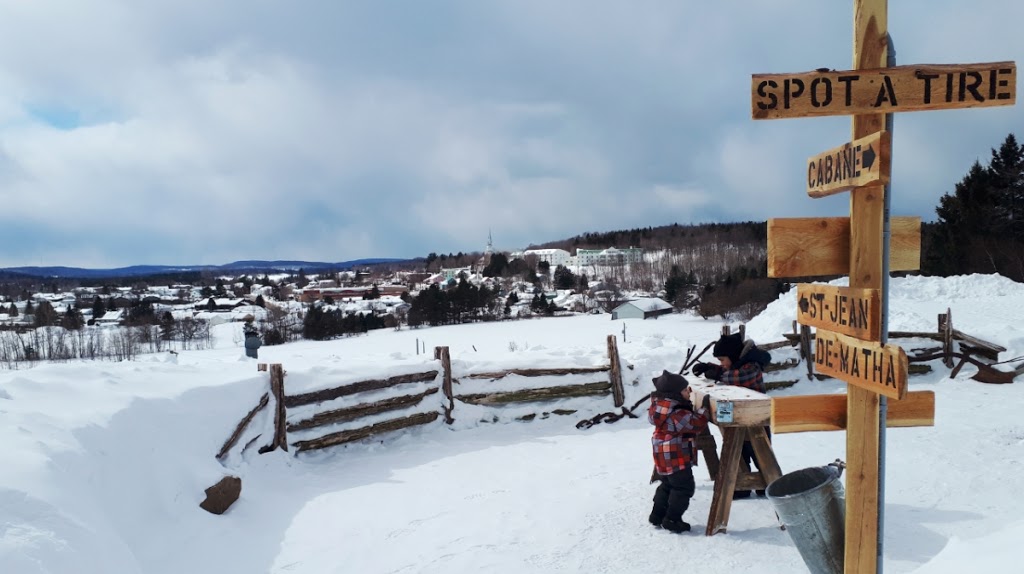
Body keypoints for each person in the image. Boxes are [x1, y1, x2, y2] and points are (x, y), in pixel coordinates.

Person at [691, 333, 772, 499]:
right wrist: (709, 368)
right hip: (739, 415)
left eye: (722, 359)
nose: (722, 363)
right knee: (739, 450)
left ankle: (769, 483)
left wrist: (717, 374)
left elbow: (740, 376)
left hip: (756, 418)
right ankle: (742, 485)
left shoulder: (752, 364)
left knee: (759, 453)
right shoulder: (739, 362)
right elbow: (729, 370)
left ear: (733, 355)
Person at [648, 370, 712, 533]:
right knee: (684, 488)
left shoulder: (660, 407)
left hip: (662, 456)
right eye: (685, 390)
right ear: (675, 394)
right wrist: (704, 410)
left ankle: (657, 515)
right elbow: (696, 424)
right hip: (675, 457)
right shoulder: (677, 412)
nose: (688, 393)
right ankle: (672, 519)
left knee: (668, 485)